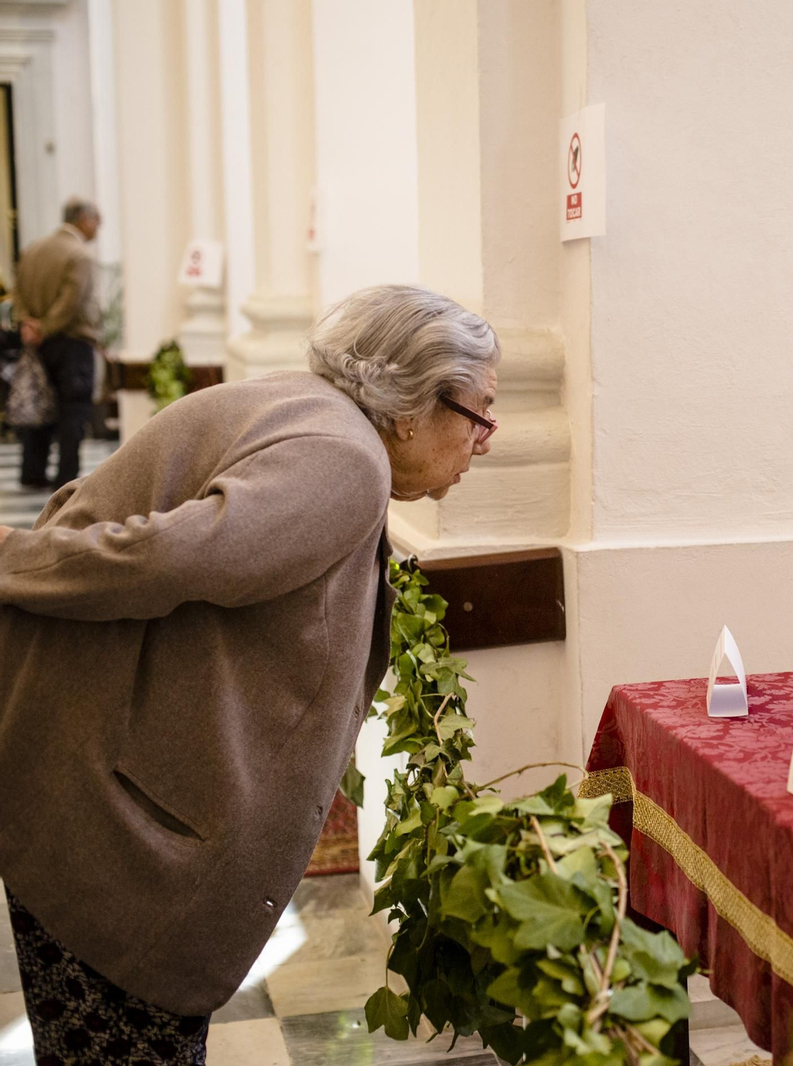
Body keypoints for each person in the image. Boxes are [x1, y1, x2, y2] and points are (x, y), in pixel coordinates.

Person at [0, 284, 499, 1063]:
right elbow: (167, 555)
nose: (489, 440)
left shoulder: (305, 410)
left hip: (84, 790)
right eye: (481, 414)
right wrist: (10, 559)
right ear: (412, 405)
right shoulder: (343, 458)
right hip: (118, 841)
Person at [14, 197, 103, 489]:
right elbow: (71, 301)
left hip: (37, 343)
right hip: (73, 344)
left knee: (39, 404)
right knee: (73, 410)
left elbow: (19, 294)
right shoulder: (79, 255)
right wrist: (47, 327)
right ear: (84, 219)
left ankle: (32, 472)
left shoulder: (33, 250)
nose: (98, 228)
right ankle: (66, 477)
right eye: (97, 221)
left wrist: (29, 324)